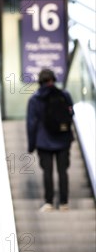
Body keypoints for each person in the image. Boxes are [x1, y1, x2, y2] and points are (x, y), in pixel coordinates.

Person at [26, 68, 74, 212]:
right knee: (63, 171)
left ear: (40, 82)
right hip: (63, 139)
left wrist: (31, 144)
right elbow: (72, 114)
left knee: (47, 172)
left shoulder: (35, 99)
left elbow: (31, 123)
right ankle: (64, 202)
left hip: (44, 141)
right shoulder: (64, 95)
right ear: (54, 79)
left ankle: (49, 202)